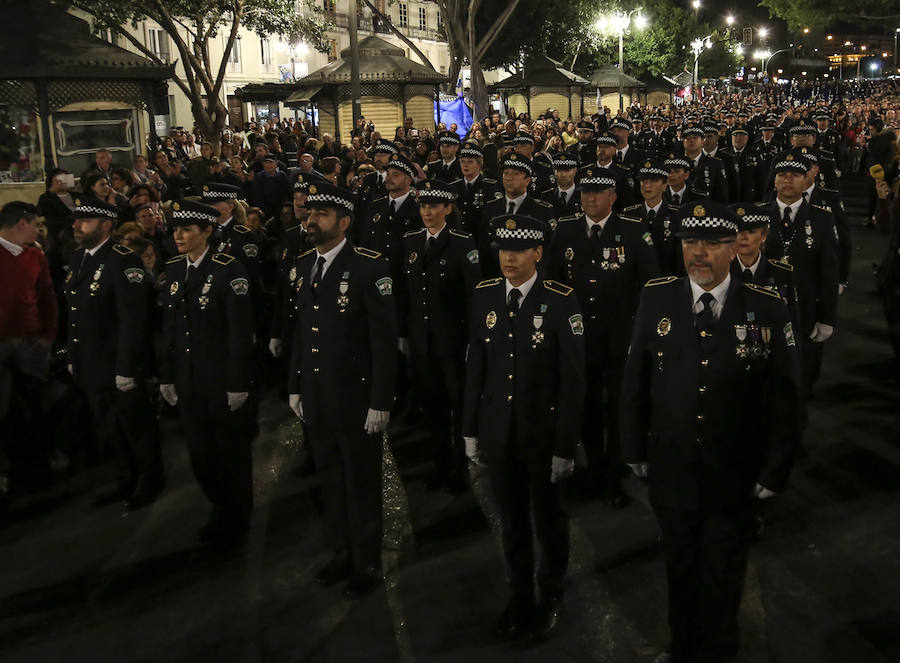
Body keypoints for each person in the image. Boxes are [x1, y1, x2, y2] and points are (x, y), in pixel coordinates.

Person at [620, 200, 801, 663]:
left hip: (733, 469)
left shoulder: (766, 305)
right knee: (679, 566)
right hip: (672, 466)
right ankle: (683, 647)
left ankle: (719, 651)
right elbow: (635, 379)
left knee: (723, 570)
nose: (699, 253)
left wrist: (775, 468)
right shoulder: (657, 298)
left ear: (732, 247)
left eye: (712, 243)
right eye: (690, 242)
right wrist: (633, 447)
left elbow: (786, 397)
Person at [463, 214, 585, 643]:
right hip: (499, 432)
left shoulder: (560, 299)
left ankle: (551, 591)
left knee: (549, 519)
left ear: (538, 253)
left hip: (543, 433)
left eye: (518, 250)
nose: (508, 258)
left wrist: (565, 445)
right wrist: (470, 431)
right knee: (511, 521)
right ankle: (519, 594)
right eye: (503, 250)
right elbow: (476, 365)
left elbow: (573, 380)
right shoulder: (486, 296)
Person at [286, 182, 397, 599]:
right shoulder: (302, 265)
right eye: (310, 214)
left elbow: (384, 343)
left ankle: (367, 558)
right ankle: (342, 550)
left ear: (345, 222)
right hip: (317, 395)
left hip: (356, 397)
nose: (312, 220)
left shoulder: (370, 267)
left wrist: (380, 401)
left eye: (323, 215)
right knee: (330, 479)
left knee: (361, 481)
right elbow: (302, 330)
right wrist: (295, 385)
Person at [547, 171, 659, 506]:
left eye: (597, 193)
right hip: (580, 338)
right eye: (585, 193)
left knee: (620, 407)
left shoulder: (633, 230)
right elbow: (552, 284)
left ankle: (615, 467)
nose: (589, 199)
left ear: (613, 196)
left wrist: (643, 334)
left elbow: (650, 287)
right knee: (587, 404)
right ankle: (597, 464)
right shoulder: (565, 230)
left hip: (620, 336)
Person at [158, 199, 256, 544]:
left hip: (219, 378)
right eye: (175, 229)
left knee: (231, 452)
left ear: (207, 231)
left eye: (186, 229)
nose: (178, 235)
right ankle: (220, 506)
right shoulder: (173, 269)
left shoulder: (229, 270)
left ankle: (237, 516)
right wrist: (167, 375)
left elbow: (239, 334)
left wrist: (238, 382)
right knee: (200, 453)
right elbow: (169, 330)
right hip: (188, 378)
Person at [65, 197, 162, 511]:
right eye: (77, 220)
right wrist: (72, 356)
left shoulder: (123, 260)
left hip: (118, 364)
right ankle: (124, 477)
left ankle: (149, 479)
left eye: (85, 221)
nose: (76, 226)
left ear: (106, 225)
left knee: (135, 426)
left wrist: (127, 367)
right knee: (109, 427)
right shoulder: (79, 258)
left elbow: (132, 320)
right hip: (91, 362)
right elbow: (75, 312)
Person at [399, 179, 480, 493]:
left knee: (457, 406)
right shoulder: (411, 241)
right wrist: (404, 333)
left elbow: (473, 298)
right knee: (432, 407)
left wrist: (473, 341)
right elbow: (407, 295)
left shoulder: (462, 243)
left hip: (453, 342)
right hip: (422, 341)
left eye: (433, 206)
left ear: (448, 208)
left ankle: (459, 468)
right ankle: (440, 463)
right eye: (422, 206)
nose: (427, 212)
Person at [763, 153, 839, 394]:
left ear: (805, 180)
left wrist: (827, 317)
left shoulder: (821, 218)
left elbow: (829, 271)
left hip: (805, 306)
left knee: (804, 371)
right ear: (774, 181)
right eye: (782, 175)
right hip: (766, 305)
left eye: (795, 175)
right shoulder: (759, 216)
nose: (788, 180)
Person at [0, 202, 58, 509]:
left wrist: (47, 337)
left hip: (30, 346)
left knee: (35, 408)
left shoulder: (35, 256)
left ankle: (37, 471)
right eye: (36, 223)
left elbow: (47, 297)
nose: (39, 230)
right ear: (22, 223)